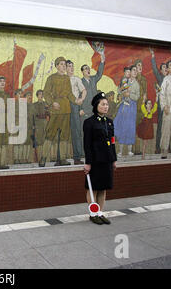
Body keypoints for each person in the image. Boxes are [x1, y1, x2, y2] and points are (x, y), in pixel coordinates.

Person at [83, 92, 117, 225]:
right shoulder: (89, 122)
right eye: (103, 104)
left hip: (107, 159)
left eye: (107, 104)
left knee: (103, 187)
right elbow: (87, 144)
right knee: (93, 188)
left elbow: (112, 141)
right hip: (95, 160)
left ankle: (100, 212)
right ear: (96, 106)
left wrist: (113, 160)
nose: (106, 106)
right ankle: (93, 213)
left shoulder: (109, 122)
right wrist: (88, 163)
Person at [43, 57, 81, 166]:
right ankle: (43, 158)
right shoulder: (51, 78)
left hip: (66, 109)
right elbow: (46, 93)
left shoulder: (66, 79)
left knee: (64, 135)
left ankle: (62, 159)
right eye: (61, 64)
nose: (64, 66)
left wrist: (76, 100)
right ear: (57, 66)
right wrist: (52, 103)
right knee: (50, 134)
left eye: (65, 65)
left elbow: (69, 94)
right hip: (55, 110)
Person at [67, 59, 87, 165]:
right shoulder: (63, 79)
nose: (72, 68)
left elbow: (84, 91)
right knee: (65, 132)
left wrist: (81, 100)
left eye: (72, 66)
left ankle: (77, 156)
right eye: (69, 66)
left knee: (76, 131)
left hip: (74, 106)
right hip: (64, 107)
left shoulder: (76, 79)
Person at [136, 95, 158, 160]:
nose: (150, 104)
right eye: (148, 103)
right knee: (144, 142)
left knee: (147, 142)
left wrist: (157, 98)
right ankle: (143, 155)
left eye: (151, 103)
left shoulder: (151, 111)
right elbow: (142, 105)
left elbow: (155, 108)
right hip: (145, 127)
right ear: (146, 105)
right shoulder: (145, 111)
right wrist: (144, 99)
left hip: (149, 127)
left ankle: (145, 154)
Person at [33, 89, 50, 166]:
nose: (41, 95)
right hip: (38, 123)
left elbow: (49, 113)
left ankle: (45, 158)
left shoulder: (46, 104)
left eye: (42, 94)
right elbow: (33, 115)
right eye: (40, 94)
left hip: (45, 123)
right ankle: (40, 159)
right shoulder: (34, 105)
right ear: (37, 96)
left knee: (45, 140)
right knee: (39, 141)